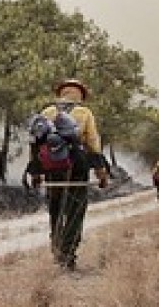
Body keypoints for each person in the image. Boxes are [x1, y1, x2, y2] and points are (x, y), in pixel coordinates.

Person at [28, 79, 109, 270]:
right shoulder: (85, 113)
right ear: (80, 94)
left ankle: (56, 244)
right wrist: (101, 174)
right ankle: (68, 253)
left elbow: (35, 144)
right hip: (77, 171)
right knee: (75, 212)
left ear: (61, 93)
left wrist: (35, 173)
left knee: (55, 209)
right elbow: (93, 145)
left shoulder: (47, 112)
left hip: (51, 169)